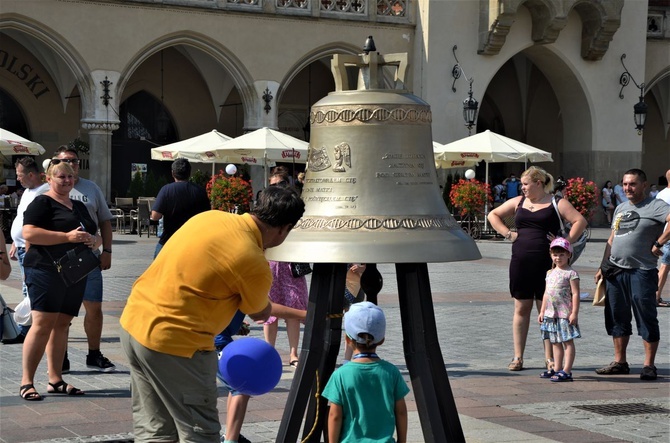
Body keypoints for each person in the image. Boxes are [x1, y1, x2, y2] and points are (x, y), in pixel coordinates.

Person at [120, 185, 306, 442]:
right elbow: (260, 312)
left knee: (156, 432)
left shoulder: (210, 217)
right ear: (285, 228)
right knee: (201, 433)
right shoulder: (252, 260)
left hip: (134, 325)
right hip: (176, 344)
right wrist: (304, 314)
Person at [487, 166, 587, 371]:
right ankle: (518, 357)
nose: (522, 188)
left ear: (538, 183)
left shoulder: (556, 202)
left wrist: (566, 241)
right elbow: (493, 215)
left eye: (525, 184)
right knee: (521, 308)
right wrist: (508, 233)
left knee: (548, 310)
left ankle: (549, 358)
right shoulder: (519, 202)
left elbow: (580, 221)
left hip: (548, 265)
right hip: (521, 263)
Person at [19, 161, 98, 400]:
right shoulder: (42, 202)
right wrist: (67, 236)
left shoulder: (79, 206)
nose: (66, 181)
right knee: (42, 324)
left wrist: (94, 241)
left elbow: (94, 233)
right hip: (45, 269)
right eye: (61, 177)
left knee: (63, 324)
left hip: (74, 272)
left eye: (70, 177)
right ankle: (26, 382)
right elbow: (29, 233)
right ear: (49, 179)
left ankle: (55, 379)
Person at [594, 169, 670, 381]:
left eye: (633, 184)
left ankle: (649, 365)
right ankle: (620, 362)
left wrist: (659, 242)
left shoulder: (656, 206)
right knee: (617, 316)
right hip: (615, 271)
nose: (628, 188)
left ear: (644, 185)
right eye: (625, 184)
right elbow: (611, 238)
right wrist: (603, 265)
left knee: (646, 316)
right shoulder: (620, 207)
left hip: (642, 271)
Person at [53, 146, 115, 373]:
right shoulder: (47, 192)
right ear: (54, 165)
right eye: (65, 161)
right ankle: (62, 356)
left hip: (89, 260)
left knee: (94, 308)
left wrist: (107, 251)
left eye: (75, 161)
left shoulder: (91, 188)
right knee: (62, 312)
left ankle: (94, 354)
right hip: (60, 261)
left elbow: (105, 222)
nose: (71, 165)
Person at [322, 301, 409, 443]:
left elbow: (334, 416)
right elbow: (401, 411)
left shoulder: (340, 375)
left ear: (348, 339)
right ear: (381, 340)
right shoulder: (391, 372)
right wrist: (402, 440)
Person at [263, 172, 307, 368]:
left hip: (290, 263)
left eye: (281, 183)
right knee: (269, 310)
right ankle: (269, 351)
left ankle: (293, 353)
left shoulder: (295, 208)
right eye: (273, 185)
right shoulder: (266, 207)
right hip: (271, 262)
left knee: (293, 308)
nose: (278, 187)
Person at [7, 157, 48, 342]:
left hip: (33, 249)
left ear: (31, 174)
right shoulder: (27, 191)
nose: (18, 179)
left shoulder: (43, 192)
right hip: (23, 247)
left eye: (20, 175)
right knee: (27, 289)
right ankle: (27, 328)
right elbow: (21, 218)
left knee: (30, 289)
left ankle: (26, 330)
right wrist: (16, 241)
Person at [538, 237, 581, 382]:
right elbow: (546, 293)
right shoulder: (549, 273)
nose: (558, 257)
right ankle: (557, 368)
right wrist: (542, 311)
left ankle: (567, 370)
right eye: (555, 254)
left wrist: (574, 313)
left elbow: (575, 294)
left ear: (568, 254)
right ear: (551, 255)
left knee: (567, 341)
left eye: (562, 254)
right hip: (551, 313)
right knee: (555, 342)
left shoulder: (571, 273)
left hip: (565, 313)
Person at [150, 158, 210, 257]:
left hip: (169, 240)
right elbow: (207, 217)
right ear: (189, 173)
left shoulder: (166, 190)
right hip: (193, 242)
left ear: (173, 173)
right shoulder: (200, 191)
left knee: (159, 270)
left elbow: (155, 216)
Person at [342, 263, 366, 363]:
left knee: (352, 323)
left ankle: (347, 359)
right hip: (334, 281)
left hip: (354, 283)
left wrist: (362, 268)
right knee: (330, 321)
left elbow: (369, 263)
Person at [655, 169, 670, 307]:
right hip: (668, 236)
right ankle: (656, 296)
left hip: (664, 236)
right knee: (665, 266)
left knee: (665, 266)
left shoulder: (661, 194)